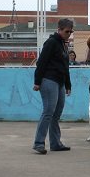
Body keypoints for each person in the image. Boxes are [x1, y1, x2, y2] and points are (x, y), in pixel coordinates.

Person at [32, 18, 74, 154]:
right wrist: (37, 82)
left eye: (71, 31)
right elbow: (41, 62)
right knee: (48, 111)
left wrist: (68, 84)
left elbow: (65, 67)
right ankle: (38, 143)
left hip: (60, 82)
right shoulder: (51, 43)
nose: (69, 34)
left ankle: (55, 143)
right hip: (49, 80)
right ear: (59, 30)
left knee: (56, 113)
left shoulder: (63, 45)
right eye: (67, 31)